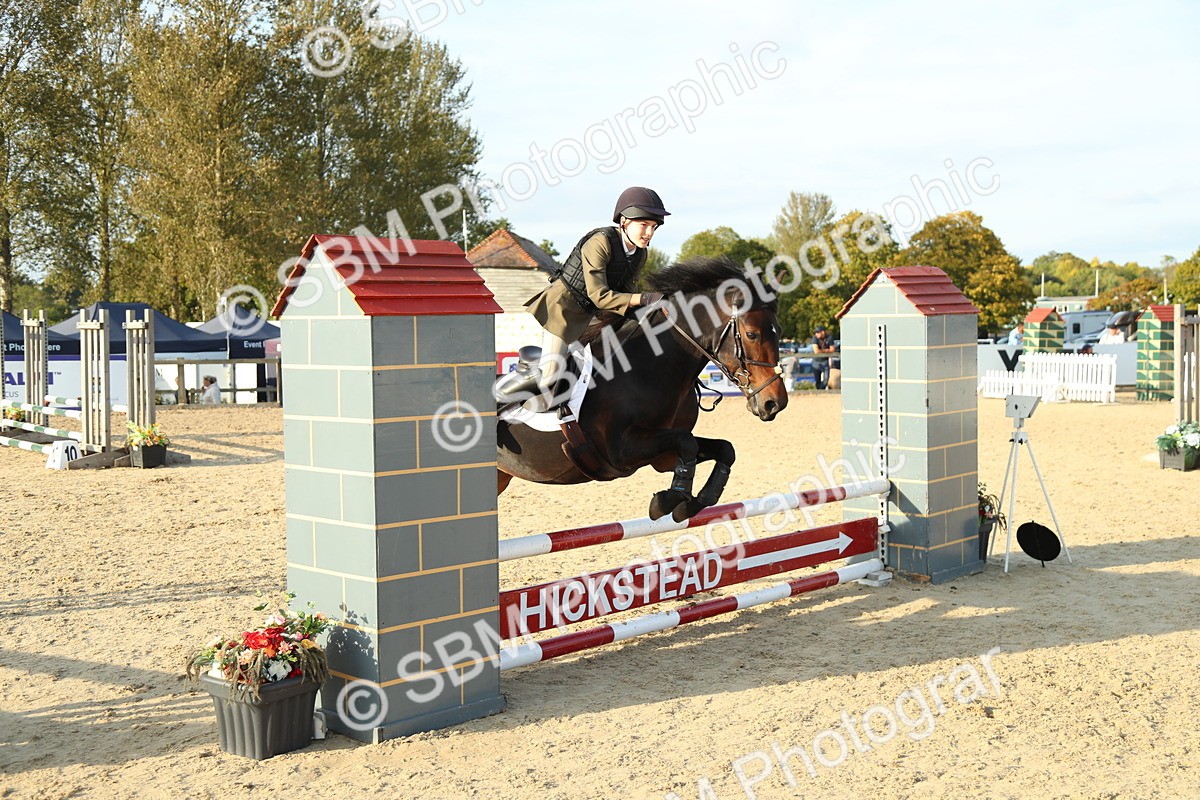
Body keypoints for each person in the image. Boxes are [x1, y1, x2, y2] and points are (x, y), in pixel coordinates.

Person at [496, 186, 670, 410]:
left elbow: (625, 296)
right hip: (563, 311)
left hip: (591, 315)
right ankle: (496, 397)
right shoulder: (600, 242)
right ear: (624, 221)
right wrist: (644, 298)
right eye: (644, 225)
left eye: (654, 227)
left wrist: (654, 310)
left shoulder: (639, 253)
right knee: (549, 375)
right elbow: (600, 296)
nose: (649, 233)